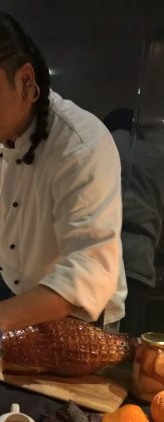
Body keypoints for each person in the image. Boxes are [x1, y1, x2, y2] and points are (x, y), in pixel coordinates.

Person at [0, 10, 127, 377]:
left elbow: (89, 266)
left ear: (26, 80)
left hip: (85, 323)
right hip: (25, 309)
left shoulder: (81, 145)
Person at [103, 108, 164, 336]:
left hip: (101, 254)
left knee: (88, 343)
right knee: (127, 343)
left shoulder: (103, 144)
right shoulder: (158, 158)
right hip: (141, 258)